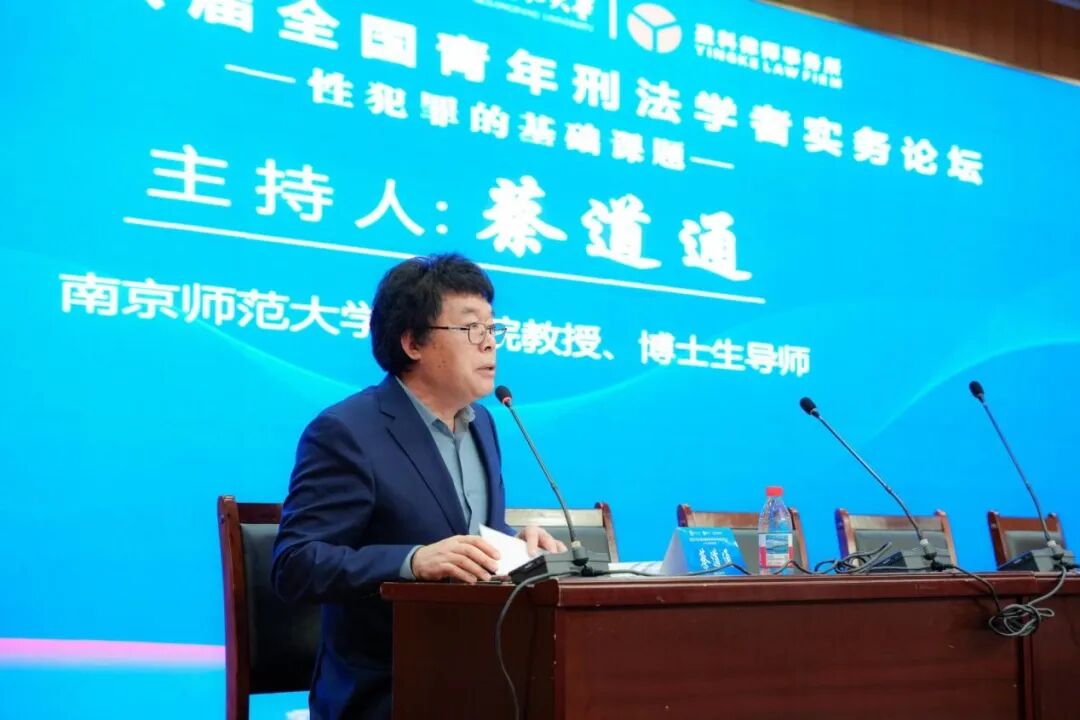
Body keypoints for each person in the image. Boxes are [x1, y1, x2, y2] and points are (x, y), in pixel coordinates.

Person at [271, 253, 565, 720]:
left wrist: (515, 546)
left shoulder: (483, 424)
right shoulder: (348, 432)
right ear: (412, 343)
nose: (490, 343)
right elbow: (296, 565)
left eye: (493, 328)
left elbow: (461, 539)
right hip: (387, 689)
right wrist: (412, 562)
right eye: (471, 328)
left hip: (479, 675)